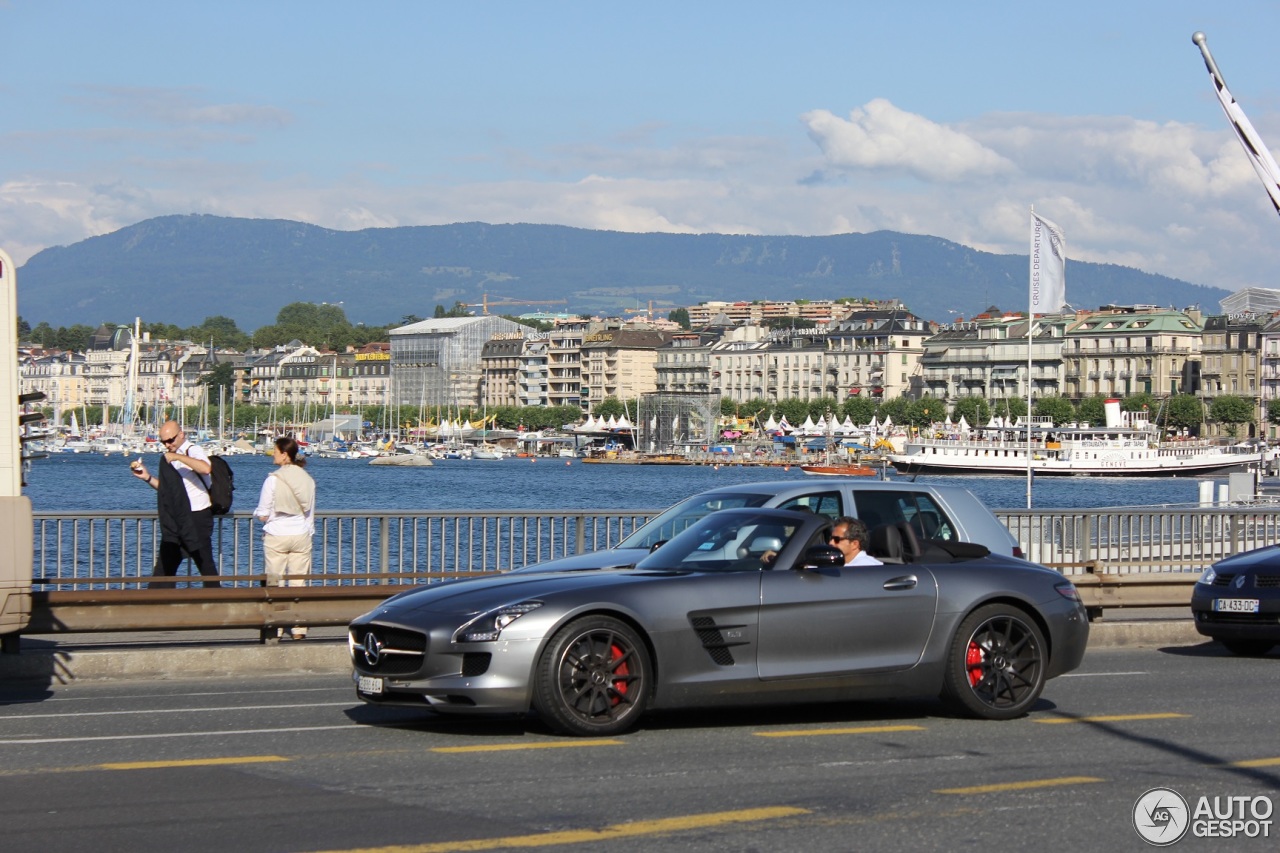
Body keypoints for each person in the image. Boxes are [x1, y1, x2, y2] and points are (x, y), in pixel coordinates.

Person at [129, 420, 221, 587]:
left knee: (205, 565)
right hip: (178, 518)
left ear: (181, 435)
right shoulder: (171, 458)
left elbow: (205, 468)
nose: (167, 445)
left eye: (170, 440)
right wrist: (147, 477)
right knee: (164, 568)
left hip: (197, 517)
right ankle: (155, 604)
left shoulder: (192, 450)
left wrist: (177, 456)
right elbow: (169, 493)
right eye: (163, 441)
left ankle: (221, 603)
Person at [254, 436, 316, 640]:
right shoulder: (307, 479)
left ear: (284, 454)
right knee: (298, 583)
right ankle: (299, 629)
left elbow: (263, 512)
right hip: (300, 533)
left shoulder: (273, 479)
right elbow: (310, 514)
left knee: (276, 583)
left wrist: (266, 517)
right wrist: (307, 530)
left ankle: (277, 628)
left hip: (277, 534)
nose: (273, 454)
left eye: (275, 450)